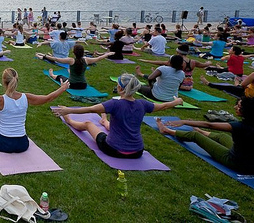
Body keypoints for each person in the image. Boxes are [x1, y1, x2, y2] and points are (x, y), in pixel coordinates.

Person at [53, 74, 184, 159]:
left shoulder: (114, 104)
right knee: (117, 126)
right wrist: (176, 102)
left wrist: (68, 111)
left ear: (120, 89)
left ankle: (69, 121)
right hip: (137, 152)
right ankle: (104, 121)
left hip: (113, 149)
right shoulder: (143, 104)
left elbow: (90, 109)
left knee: (88, 124)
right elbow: (163, 106)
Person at [155, 97, 254, 175]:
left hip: (237, 162)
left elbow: (209, 125)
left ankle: (167, 131)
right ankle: (202, 132)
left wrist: (184, 122)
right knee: (222, 136)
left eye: (239, 107)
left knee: (195, 135)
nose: (235, 107)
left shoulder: (240, 126)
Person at [139, 44, 211, 91]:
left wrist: (146, 61)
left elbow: (162, 63)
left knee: (157, 75)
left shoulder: (177, 61)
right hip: (189, 84)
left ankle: (141, 74)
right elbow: (203, 65)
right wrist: (208, 62)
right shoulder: (193, 62)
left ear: (178, 52)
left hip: (178, 84)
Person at [42, 45, 113, 90]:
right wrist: (107, 54)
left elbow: (56, 59)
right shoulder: (86, 60)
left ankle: (52, 75)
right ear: (83, 52)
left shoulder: (71, 60)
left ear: (74, 53)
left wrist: (45, 56)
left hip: (71, 85)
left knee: (60, 76)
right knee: (70, 71)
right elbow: (98, 58)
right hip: (83, 85)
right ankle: (68, 72)